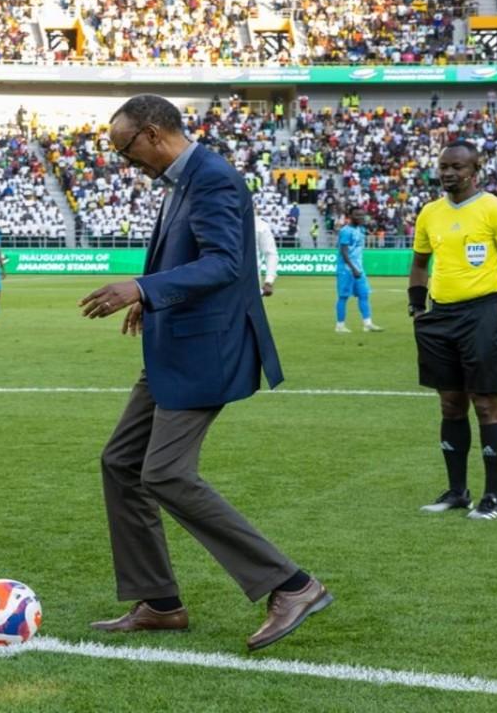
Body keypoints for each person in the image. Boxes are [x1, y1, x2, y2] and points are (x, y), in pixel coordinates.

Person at [79, 94, 331, 651]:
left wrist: (140, 288)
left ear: (151, 133)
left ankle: (292, 584)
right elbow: (189, 259)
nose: (128, 164)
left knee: (165, 473)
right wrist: (155, 298)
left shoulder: (213, 177)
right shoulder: (182, 179)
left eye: (126, 151)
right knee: (121, 462)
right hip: (175, 344)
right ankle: (160, 603)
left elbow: (225, 262)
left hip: (207, 350)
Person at [408, 140, 497, 521]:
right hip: (440, 316)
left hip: (484, 313)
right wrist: (417, 307)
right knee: (450, 404)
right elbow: (419, 263)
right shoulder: (429, 213)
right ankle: (457, 492)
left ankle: (493, 497)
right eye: (444, 166)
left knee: (486, 404)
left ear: (474, 170)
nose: (448, 172)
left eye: (457, 167)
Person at [334, 207, 383, 333]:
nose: (360, 218)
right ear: (350, 215)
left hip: (359, 269)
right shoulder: (345, 231)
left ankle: (367, 324)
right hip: (346, 270)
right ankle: (340, 326)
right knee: (343, 297)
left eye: (362, 215)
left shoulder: (360, 229)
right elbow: (343, 252)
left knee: (364, 295)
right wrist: (353, 268)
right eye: (357, 215)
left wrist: (358, 268)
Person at [255, 212, 278, 297]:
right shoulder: (222, 222)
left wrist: (269, 281)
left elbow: (271, 254)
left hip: (251, 285)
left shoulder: (259, 225)